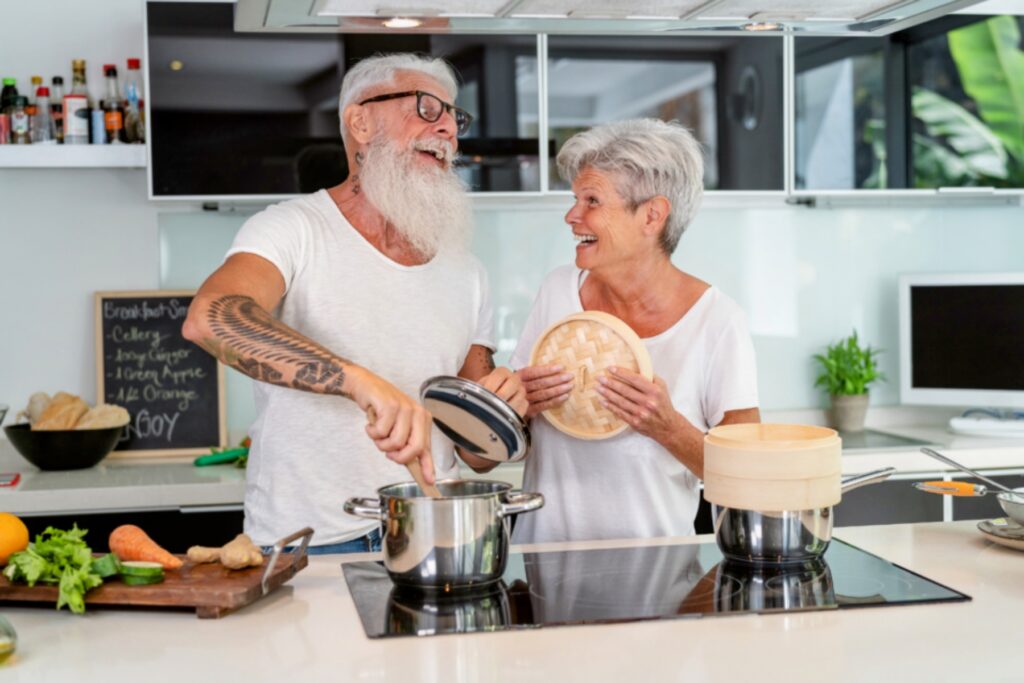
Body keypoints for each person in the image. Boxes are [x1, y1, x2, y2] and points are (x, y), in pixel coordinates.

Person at [182, 54, 526, 553]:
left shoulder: (467, 271)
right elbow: (211, 319)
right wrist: (358, 382)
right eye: (427, 108)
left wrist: (505, 409)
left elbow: (478, 456)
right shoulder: (291, 229)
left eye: (454, 116)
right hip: (310, 540)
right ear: (360, 122)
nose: (449, 127)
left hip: (433, 536)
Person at [511, 119, 760, 544]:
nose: (572, 216)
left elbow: (751, 478)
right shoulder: (556, 290)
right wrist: (520, 404)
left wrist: (668, 427)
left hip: (658, 582)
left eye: (592, 200)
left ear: (652, 215)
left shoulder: (717, 322)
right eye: (576, 199)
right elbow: (505, 437)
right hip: (541, 574)